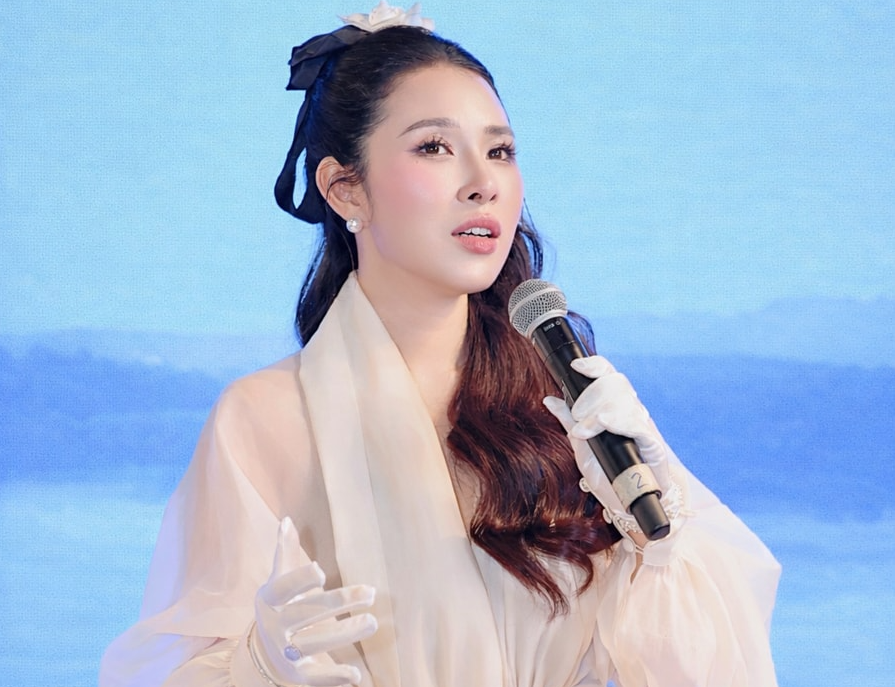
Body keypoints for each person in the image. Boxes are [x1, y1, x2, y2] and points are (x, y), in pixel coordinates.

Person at [100, 3, 781, 686]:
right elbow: (172, 666)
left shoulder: (564, 408)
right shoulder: (267, 416)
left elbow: (705, 663)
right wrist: (259, 667)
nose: (483, 182)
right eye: (434, 147)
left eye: (500, 151)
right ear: (344, 188)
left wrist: (658, 529)